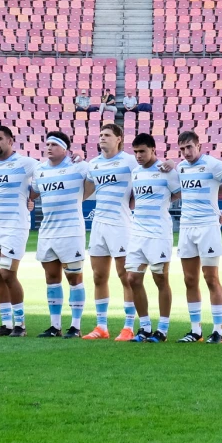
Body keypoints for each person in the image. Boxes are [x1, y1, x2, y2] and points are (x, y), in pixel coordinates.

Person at [30, 131, 94, 339]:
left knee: (74, 278)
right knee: (51, 278)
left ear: (65, 149)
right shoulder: (39, 170)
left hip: (71, 231)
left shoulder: (79, 166)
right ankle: (54, 326)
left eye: (54, 145)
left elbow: (96, 176)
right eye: (47, 144)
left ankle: (75, 326)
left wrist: (83, 157)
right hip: (47, 231)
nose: (48, 148)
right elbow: (32, 192)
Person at [173, 130, 222, 343]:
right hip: (187, 227)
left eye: (189, 147)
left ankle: (218, 330)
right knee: (189, 279)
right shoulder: (180, 168)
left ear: (199, 145)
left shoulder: (213, 164)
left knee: (211, 278)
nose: (186, 152)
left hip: (208, 226)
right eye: (182, 149)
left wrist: (215, 196)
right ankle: (195, 330)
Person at [83, 123, 138, 341]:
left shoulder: (130, 162)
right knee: (98, 276)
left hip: (121, 224)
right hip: (99, 225)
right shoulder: (93, 164)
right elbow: (84, 192)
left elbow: (142, 185)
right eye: (100, 135)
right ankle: (101, 326)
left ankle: (128, 326)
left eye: (107, 135)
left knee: (125, 276)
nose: (102, 138)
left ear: (119, 139)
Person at [0, 126, 38, 337]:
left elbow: (45, 176)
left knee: (8, 273)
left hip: (15, 225)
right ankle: (6, 324)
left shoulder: (26, 163)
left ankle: (20, 325)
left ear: (11, 140)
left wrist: (32, 196)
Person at [124, 133, 181, 342]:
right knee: (132, 278)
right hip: (137, 232)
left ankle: (163, 329)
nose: (138, 156)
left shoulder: (166, 172)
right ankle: (145, 327)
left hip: (159, 233)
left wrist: (165, 201)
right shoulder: (136, 172)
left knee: (160, 278)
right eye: (136, 151)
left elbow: (178, 192)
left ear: (153, 150)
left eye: (142, 151)